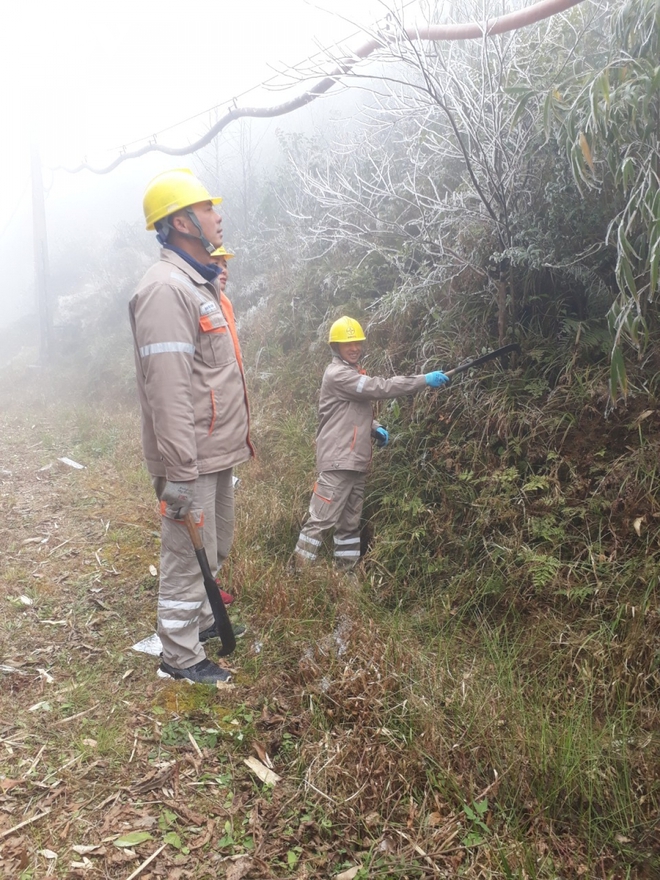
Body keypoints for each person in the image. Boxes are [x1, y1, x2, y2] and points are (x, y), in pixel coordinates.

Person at [129, 168, 253, 684]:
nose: (218, 216)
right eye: (207, 209)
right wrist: (179, 470)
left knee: (215, 544)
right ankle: (179, 659)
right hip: (191, 457)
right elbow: (168, 389)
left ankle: (201, 625)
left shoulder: (197, 284)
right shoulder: (164, 290)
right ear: (182, 221)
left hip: (215, 450)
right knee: (185, 557)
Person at [293, 316, 449, 570]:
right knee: (320, 520)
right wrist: (423, 380)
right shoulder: (338, 374)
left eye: (357, 342)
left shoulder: (351, 374)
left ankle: (346, 573)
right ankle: (298, 573)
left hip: (355, 460)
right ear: (336, 347)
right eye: (348, 344)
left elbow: (350, 412)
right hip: (337, 460)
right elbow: (381, 388)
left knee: (350, 523)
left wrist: (374, 428)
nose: (354, 348)